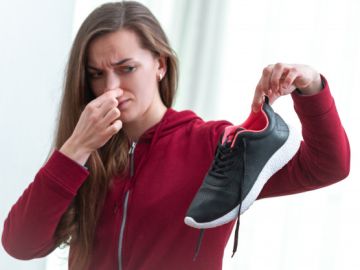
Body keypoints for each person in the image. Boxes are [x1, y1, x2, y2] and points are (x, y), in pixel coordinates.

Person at [1, 1, 350, 270]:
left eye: (126, 69)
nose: (111, 88)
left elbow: (327, 166)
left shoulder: (216, 146)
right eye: (96, 74)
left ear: (160, 64)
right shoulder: (82, 156)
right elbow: (19, 244)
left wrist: (313, 86)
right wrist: (75, 149)